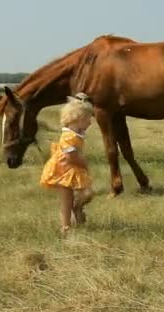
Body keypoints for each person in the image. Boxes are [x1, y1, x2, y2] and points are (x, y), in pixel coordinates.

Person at [40, 93, 95, 236]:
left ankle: (76, 208)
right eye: (89, 119)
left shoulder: (77, 132)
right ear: (79, 119)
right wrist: (83, 162)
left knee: (87, 193)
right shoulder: (68, 136)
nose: (90, 122)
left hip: (73, 167)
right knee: (66, 198)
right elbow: (70, 156)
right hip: (63, 169)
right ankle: (66, 226)